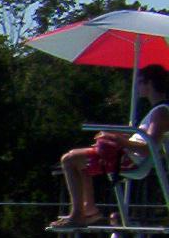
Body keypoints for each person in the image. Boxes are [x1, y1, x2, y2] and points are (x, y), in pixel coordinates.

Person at [51, 64, 169, 229]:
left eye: (140, 82)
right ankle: (89, 210)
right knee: (77, 160)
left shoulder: (161, 112)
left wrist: (117, 140)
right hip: (128, 156)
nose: (137, 86)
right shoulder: (157, 110)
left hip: (130, 160)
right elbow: (142, 140)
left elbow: (148, 147)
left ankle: (78, 215)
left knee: (69, 159)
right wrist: (115, 136)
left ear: (149, 83)